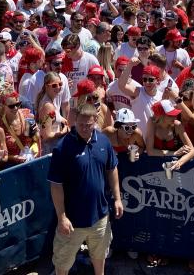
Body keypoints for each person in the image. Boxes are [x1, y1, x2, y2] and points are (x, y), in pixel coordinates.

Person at [48, 103, 122, 275]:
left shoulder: (103, 141)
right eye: (80, 124)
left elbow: (112, 168)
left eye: (88, 125)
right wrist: (62, 217)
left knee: (99, 258)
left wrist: (117, 198)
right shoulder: (62, 148)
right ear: (74, 120)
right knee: (63, 264)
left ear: (95, 120)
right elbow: (56, 185)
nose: (83, 128)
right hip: (72, 222)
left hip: (100, 217)